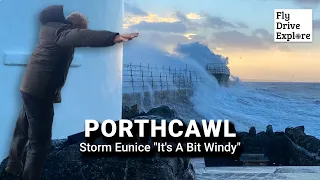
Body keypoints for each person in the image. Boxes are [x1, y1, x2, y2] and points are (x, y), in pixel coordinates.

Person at [4, 5, 138, 180]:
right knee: (40, 142)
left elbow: (77, 37)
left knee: (23, 128)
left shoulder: (51, 30)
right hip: (40, 92)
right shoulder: (62, 34)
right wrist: (113, 37)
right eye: (83, 28)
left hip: (29, 87)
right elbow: (82, 36)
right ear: (75, 26)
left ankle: (13, 166)